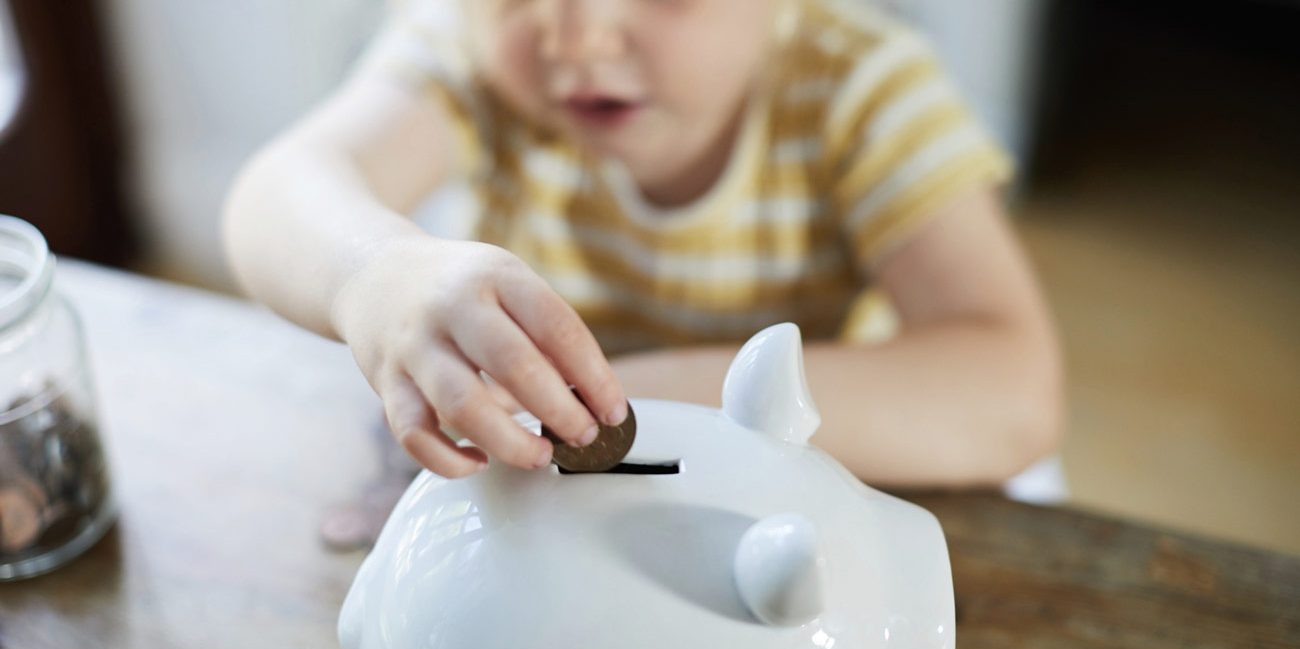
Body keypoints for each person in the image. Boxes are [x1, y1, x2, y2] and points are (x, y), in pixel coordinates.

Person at [223, 0, 1063, 491]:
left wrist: (627, 406)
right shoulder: (467, 50)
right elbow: (275, 193)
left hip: (784, 472)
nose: (578, 35)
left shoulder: (866, 91)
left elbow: (1013, 390)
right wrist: (375, 272)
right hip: (553, 479)